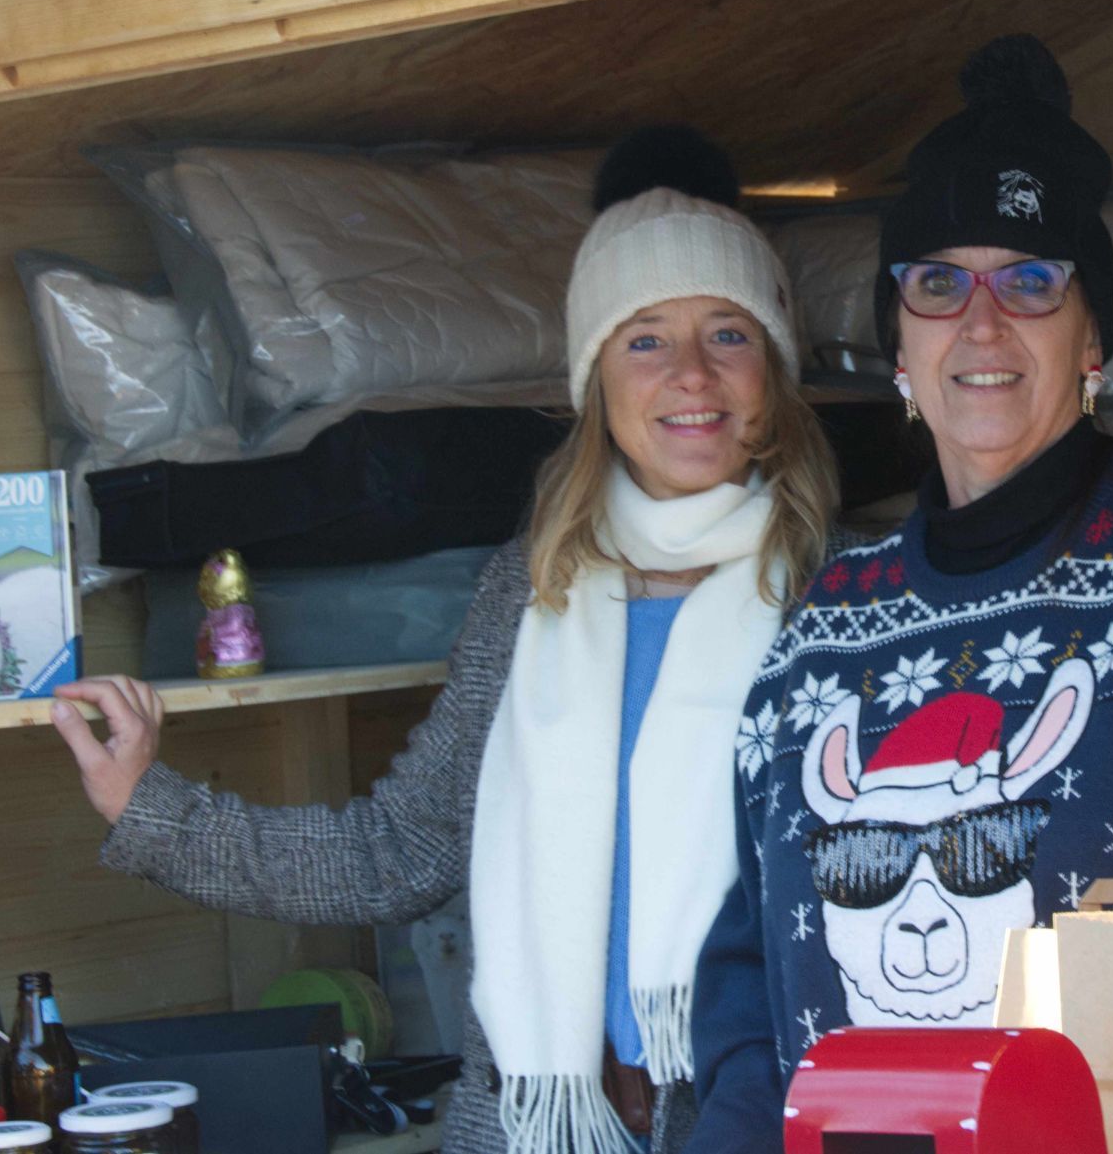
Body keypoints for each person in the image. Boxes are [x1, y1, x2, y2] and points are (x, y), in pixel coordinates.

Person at [48, 128, 839, 1154]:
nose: (691, 373)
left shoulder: (841, 592)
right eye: (645, 337)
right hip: (535, 1125)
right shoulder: (535, 587)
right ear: (594, 374)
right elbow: (400, 849)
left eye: (727, 333)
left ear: (772, 367)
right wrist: (149, 806)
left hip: (757, 1121)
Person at [687, 36, 1113, 1150]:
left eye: (1030, 280)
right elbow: (748, 982)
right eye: (937, 282)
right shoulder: (821, 624)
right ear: (894, 339)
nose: (980, 323)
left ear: (1092, 332)